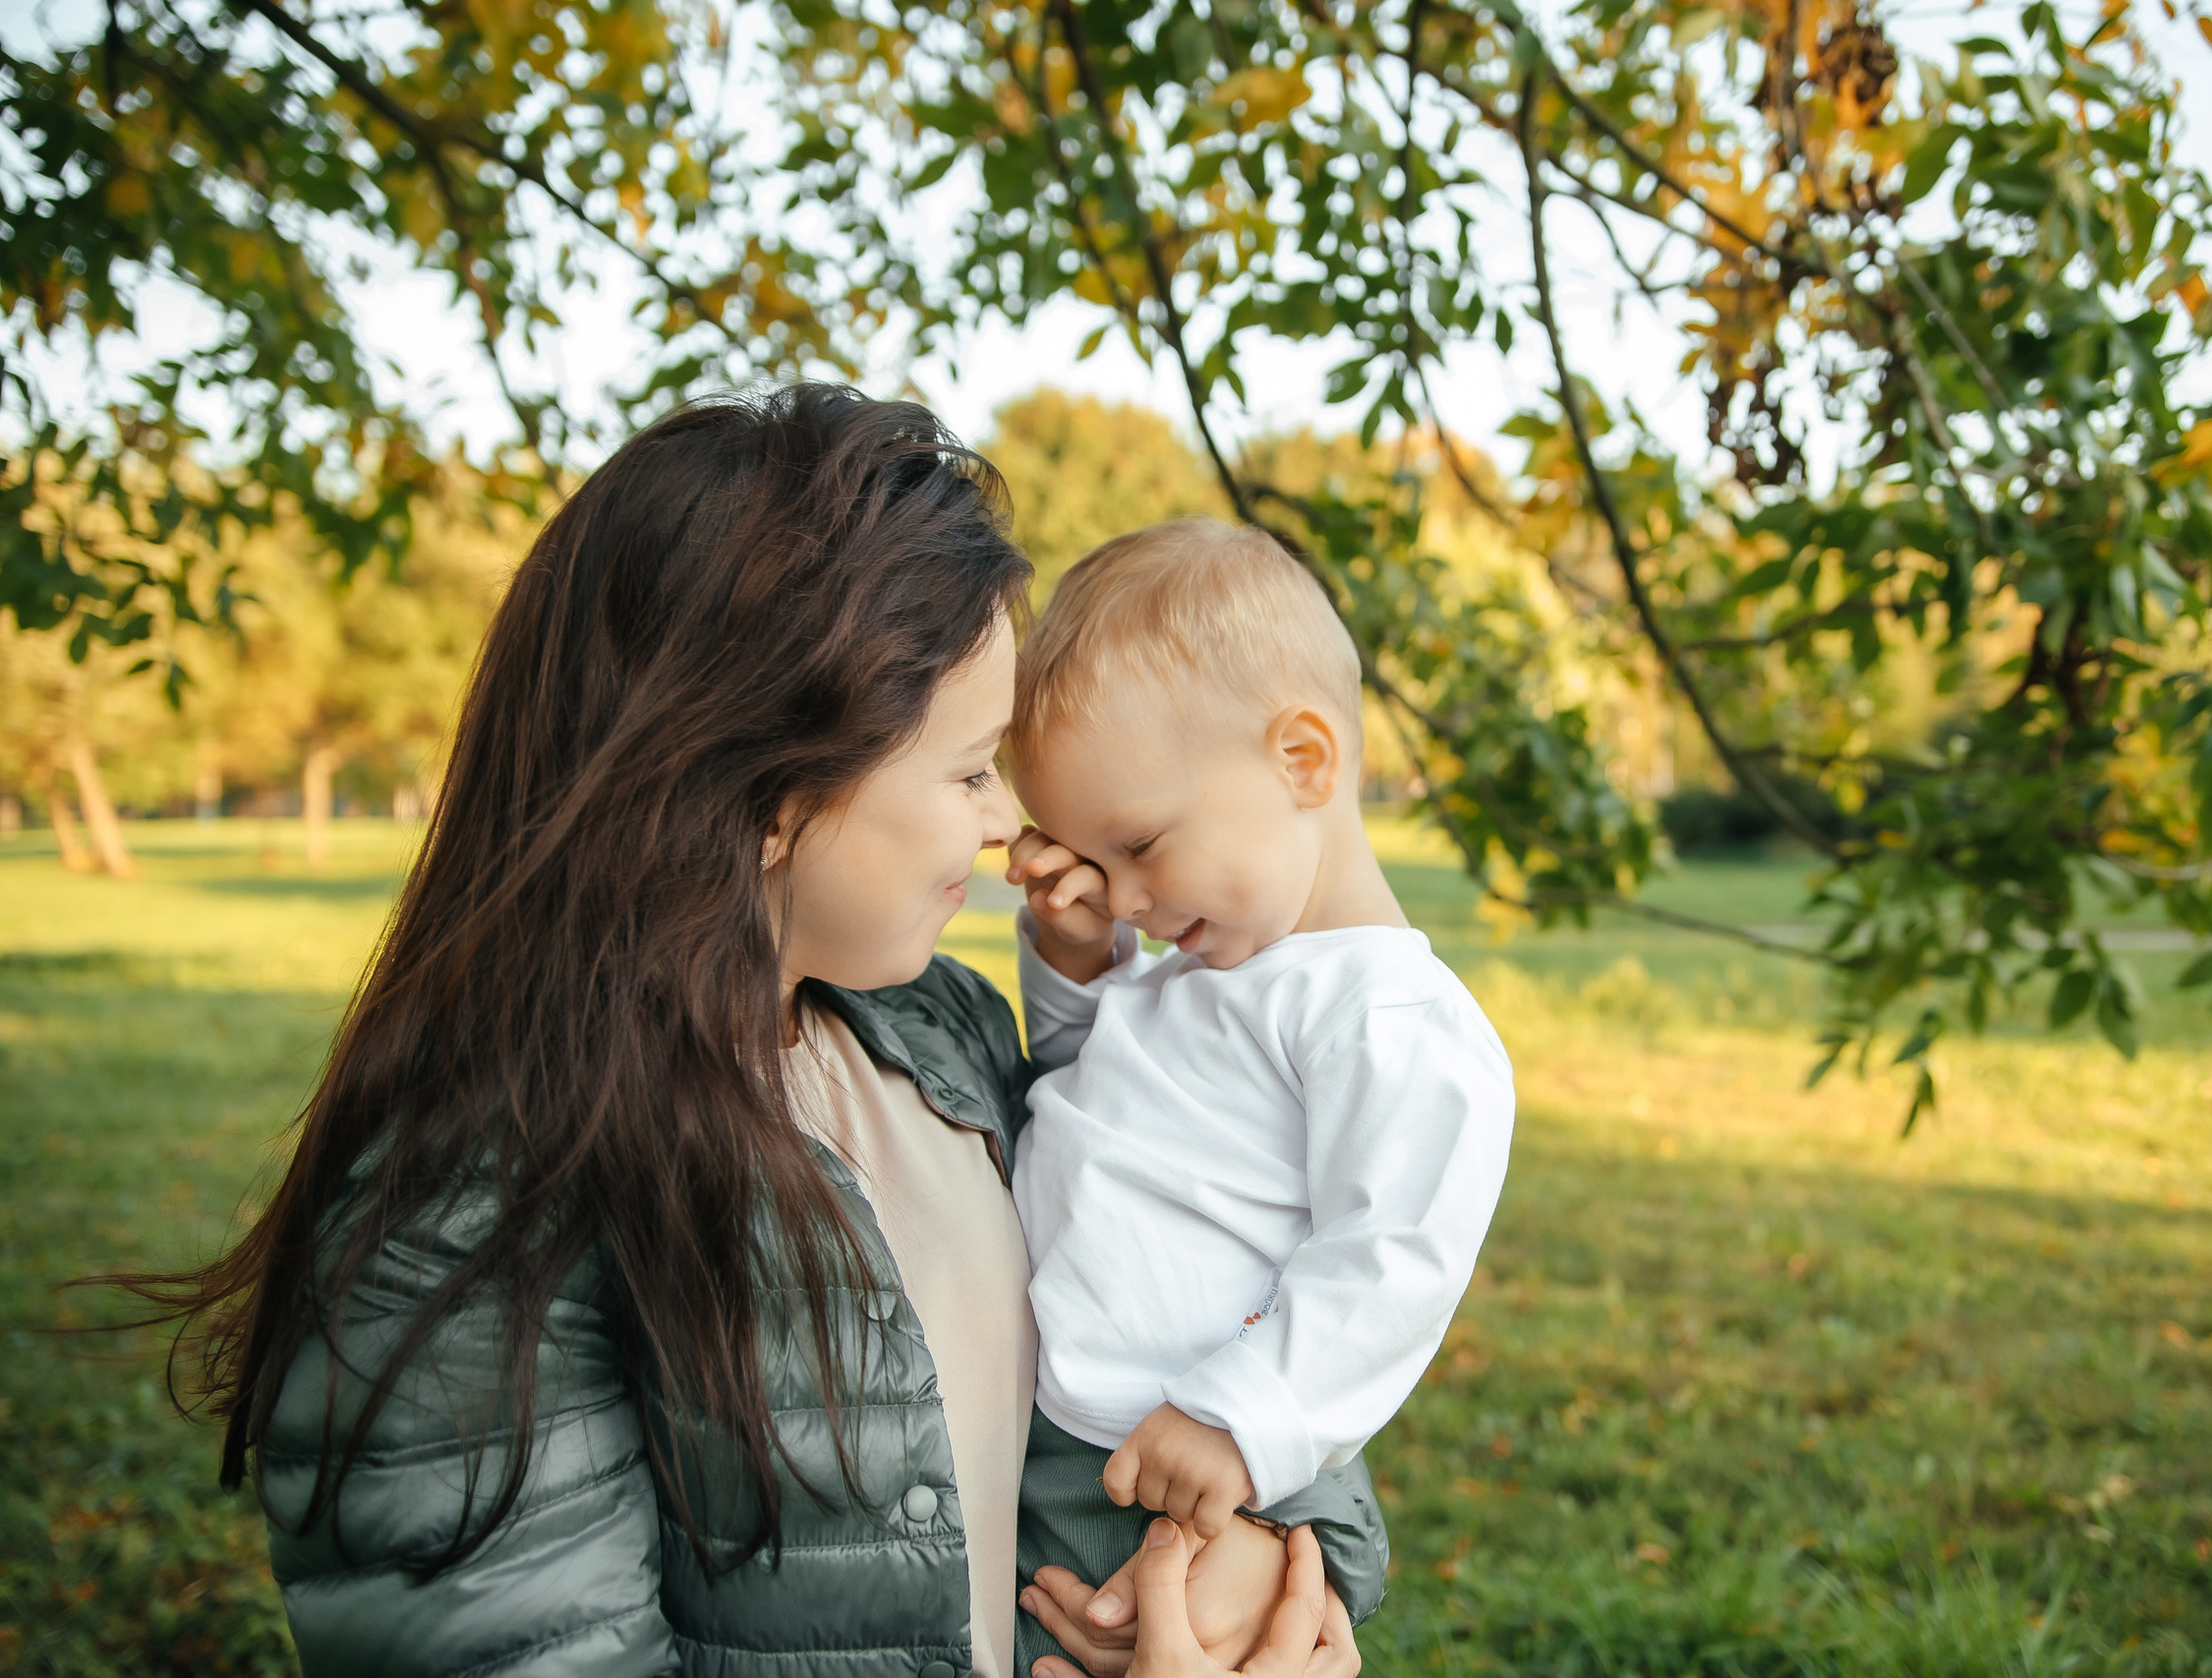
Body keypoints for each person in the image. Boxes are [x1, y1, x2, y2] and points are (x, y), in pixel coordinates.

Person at [112, 387, 1383, 1678]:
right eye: (968, 769)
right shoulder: (478, 1205)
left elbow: (1192, 1288)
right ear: (766, 795)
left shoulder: (942, 1039)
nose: (1008, 823)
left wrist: (1283, 1553)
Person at [1000, 519, 1515, 1669]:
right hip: (1061, 1427)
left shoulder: (1385, 1016)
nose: (1120, 896)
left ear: (1302, 761)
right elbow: (1092, 1098)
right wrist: (1078, 960)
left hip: (1178, 1460)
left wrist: (1242, 1421)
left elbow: (1392, 1263)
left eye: (1139, 845)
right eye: (1095, 862)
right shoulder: (1200, 970)